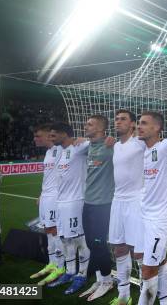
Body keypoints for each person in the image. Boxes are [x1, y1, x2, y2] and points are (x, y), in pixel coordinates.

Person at [46, 122, 91, 295]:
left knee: (79, 240)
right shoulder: (61, 152)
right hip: (61, 202)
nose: (51, 138)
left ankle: (82, 274)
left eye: (53, 135)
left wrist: (86, 139)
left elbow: (97, 143)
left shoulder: (78, 147)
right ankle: (70, 271)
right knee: (65, 238)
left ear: (64, 134)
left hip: (75, 201)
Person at [135, 111, 167, 305]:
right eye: (138, 123)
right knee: (155, 260)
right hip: (144, 214)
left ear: (157, 127)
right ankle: (165, 301)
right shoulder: (143, 149)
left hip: (161, 218)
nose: (138, 126)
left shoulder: (166, 145)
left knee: (148, 268)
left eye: (143, 123)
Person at [108, 109, 145, 305]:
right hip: (118, 201)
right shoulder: (115, 146)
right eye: (116, 119)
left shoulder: (140, 142)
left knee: (138, 252)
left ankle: (144, 292)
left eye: (123, 119)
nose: (118, 122)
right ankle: (123, 295)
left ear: (132, 124)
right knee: (119, 249)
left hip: (136, 200)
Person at [79, 115, 116, 301]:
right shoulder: (88, 146)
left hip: (103, 203)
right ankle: (101, 279)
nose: (86, 126)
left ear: (101, 129)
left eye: (90, 124)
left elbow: (128, 145)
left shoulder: (111, 147)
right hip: (88, 202)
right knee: (91, 243)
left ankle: (108, 281)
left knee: (99, 243)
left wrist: (114, 141)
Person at [29, 123, 65, 286]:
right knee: (48, 231)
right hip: (46, 197)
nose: (35, 139)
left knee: (55, 231)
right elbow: (48, 177)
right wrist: (41, 195)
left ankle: (60, 267)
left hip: (56, 198)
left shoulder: (59, 150)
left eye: (38, 136)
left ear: (47, 136)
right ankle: (52, 264)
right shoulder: (49, 153)